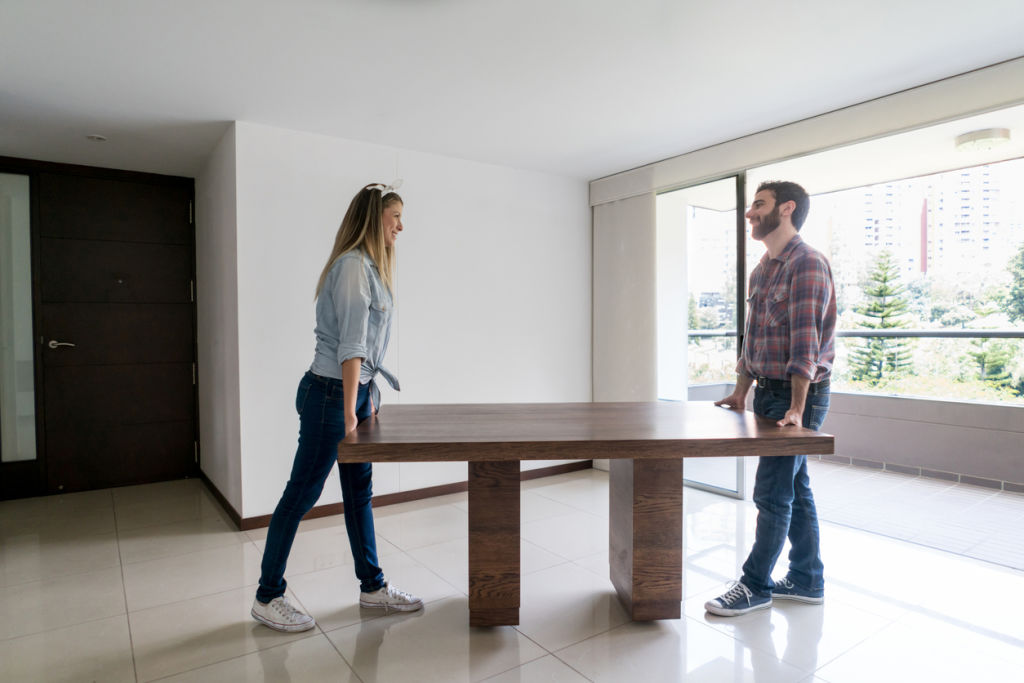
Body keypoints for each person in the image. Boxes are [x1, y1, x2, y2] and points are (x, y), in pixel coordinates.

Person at [251, 181, 423, 632]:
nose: (401, 227)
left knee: (358, 494)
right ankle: (267, 597)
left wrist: (368, 400)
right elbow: (351, 348)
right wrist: (350, 412)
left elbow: (367, 353)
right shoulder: (352, 268)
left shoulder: (370, 267)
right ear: (374, 218)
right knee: (300, 496)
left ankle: (372, 587)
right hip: (331, 396)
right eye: (395, 217)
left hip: (353, 394)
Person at [705, 180, 837, 617]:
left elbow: (806, 345)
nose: (749, 214)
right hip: (767, 392)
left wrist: (797, 409)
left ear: (786, 209)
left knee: (772, 493)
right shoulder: (762, 269)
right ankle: (806, 579)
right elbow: (753, 337)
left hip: (798, 395)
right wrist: (741, 391)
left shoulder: (809, 264)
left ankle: (755, 584)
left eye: (758, 205)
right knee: (794, 488)